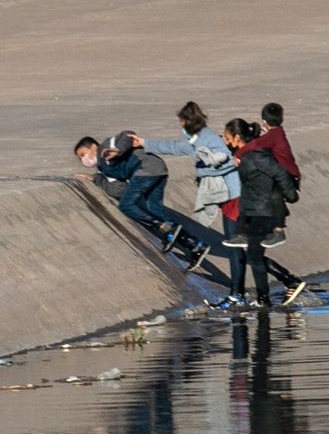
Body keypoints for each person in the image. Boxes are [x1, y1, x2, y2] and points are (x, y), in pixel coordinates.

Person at [73, 133, 210, 269]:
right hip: (157, 170)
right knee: (154, 210)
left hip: (145, 169)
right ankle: (195, 246)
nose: (84, 160)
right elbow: (117, 190)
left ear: (93, 146)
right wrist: (96, 179)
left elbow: (127, 135)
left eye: (83, 154)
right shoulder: (104, 168)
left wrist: (118, 150)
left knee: (126, 206)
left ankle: (164, 227)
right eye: (81, 158)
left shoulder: (106, 146)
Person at [218, 119, 307, 308]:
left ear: (237, 137)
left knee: (251, 255)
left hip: (258, 210)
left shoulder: (253, 156)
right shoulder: (246, 154)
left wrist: (290, 195)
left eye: (227, 137)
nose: (225, 141)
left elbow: (278, 174)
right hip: (252, 209)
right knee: (253, 254)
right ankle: (278, 288)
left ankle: (270, 293)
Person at [130, 101, 239, 229]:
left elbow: (228, 159)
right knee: (218, 230)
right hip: (222, 194)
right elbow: (173, 147)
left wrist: (204, 171)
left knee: (233, 237)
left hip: (233, 194)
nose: (181, 128)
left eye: (182, 123)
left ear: (188, 122)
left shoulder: (209, 138)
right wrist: (143, 143)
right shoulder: (195, 140)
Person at [243, 103, 301, 248]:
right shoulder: (276, 134)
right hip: (284, 174)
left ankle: (279, 231)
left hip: (288, 177)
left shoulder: (273, 136)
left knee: (275, 195)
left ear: (264, 121)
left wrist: (238, 155)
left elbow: (253, 145)